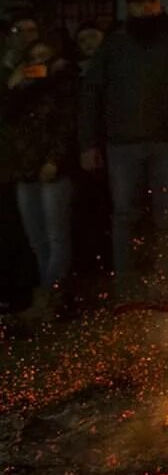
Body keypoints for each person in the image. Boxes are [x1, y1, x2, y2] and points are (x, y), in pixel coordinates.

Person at [78, 0, 168, 293]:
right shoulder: (115, 44)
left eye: (151, 2)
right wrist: (88, 142)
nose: (146, 8)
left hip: (162, 139)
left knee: (165, 212)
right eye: (140, 3)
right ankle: (127, 283)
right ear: (130, 7)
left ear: (160, 3)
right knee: (127, 214)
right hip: (124, 142)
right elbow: (92, 92)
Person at [8, 31, 79, 319]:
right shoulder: (23, 92)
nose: (37, 63)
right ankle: (47, 294)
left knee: (56, 235)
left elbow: (66, 123)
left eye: (43, 58)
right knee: (37, 237)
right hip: (25, 169)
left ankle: (51, 295)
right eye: (33, 58)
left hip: (52, 169)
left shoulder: (62, 87)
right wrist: (14, 86)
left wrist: (54, 160)